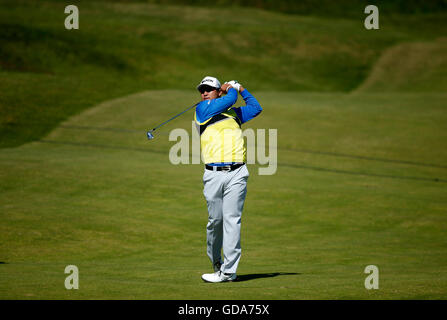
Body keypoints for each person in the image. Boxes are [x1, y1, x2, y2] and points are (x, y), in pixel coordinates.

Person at [195, 76, 262, 283]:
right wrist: (231, 89)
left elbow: (255, 107)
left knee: (232, 221)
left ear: (218, 91)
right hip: (213, 174)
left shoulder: (233, 114)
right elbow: (229, 99)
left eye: (209, 89)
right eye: (202, 89)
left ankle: (228, 271)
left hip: (237, 173)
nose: (204, 92)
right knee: (215, 222)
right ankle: (216, 264)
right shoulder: (202, 109)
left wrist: (241, 88)